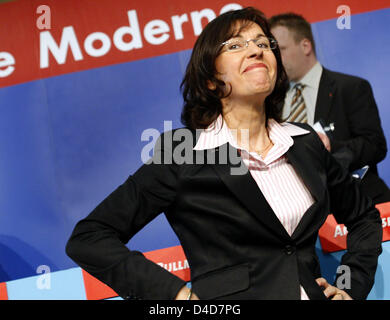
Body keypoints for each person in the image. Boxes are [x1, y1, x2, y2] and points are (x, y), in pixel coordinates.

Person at [66, 7, 382, 300]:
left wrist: (349, 285)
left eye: (263, 42)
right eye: (235, 45)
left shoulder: (304, 142)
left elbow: (364, 216)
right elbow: (90, 238)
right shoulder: (183, 153)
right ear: (212, 80)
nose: (257, 49)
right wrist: (176, 296)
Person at [269, 12, 390, 205]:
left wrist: (330, 146)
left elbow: (375, 146)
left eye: (281, 50)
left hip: (357, 203)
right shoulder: (272, 102)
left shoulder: (350, 88)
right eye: (272, 52)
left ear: (305, 46)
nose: (275, 59)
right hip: (304, 213)